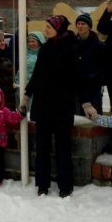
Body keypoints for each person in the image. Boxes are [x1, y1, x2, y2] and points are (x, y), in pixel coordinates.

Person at [24, 15, 79, 197]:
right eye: (45, 26)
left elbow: (76, 78)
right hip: (42, 104)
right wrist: (26, 94)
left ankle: (65, 185)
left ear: (59, 28)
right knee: (42, 147)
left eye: (49, 27)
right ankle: (42, 183)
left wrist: (84, 101)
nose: (45, 30)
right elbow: (37, 74)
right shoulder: (45, 48)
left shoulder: (71, 47)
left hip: (62, 105)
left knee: (63, 147)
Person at [72, 12, 106, 116]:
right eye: (79, 23)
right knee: (77, 117)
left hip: (93, 86)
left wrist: (96, 77)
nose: (80, 26)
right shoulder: (72, 44)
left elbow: (103, 65)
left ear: (89, 26)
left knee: (95, 116)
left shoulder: (98, 45)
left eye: (83, 24)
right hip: (77, 86)